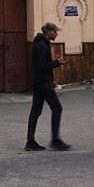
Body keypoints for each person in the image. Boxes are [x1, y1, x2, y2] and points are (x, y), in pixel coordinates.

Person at [26, 23, 70, 151]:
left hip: (40, 81)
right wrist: (57, 63)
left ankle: (30, 141)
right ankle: (55, 140)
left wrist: (51, 79)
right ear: (48, 32)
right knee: (57, 108)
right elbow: (41, 65)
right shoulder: (41, 45)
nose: (56, 34)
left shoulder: (41, 43)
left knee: (36, 110)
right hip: (42, 82)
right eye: (55, 31)